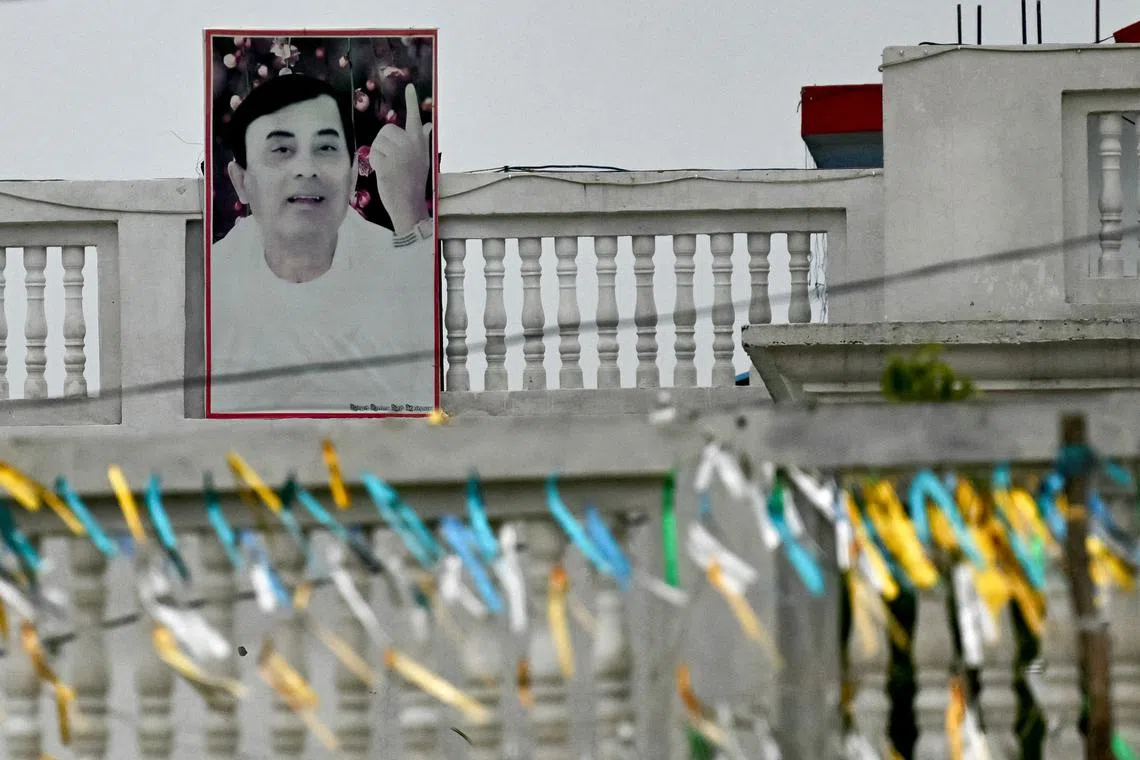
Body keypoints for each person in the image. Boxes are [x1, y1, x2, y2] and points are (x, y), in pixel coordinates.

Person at [208, 72, 437, 414]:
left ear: (352, 175)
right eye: (281, 149)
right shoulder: (213, 282)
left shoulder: (397, 259)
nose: (306, 169)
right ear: (242, 182)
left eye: (326, 148)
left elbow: (423, 397)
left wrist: (411, 213)